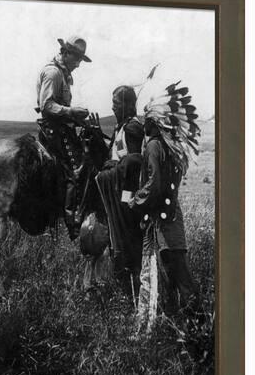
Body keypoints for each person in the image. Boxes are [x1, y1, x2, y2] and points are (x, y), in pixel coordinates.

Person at [128, 85, 200, 334]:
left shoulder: (153, 147)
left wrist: (136, 200)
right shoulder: (169, 147)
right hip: (171, 217)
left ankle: (196, 326)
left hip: (161, 222)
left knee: (176, 274)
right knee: (175, 273)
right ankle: (185, 326)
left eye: (146, 121)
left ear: (154, 123)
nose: (143, 126)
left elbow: (155, 184)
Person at [36, 36, 91, 239]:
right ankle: (72, 222)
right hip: (54, 129)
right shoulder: (53, 73)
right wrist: (71, 112)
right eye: (76, 58)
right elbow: (46, 105)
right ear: (65, 54)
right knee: (75, 170)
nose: (78, 64)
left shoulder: (62, 73)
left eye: (80, 59)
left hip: (60, 127)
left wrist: (76, 118)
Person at [95, 86, 144, 301]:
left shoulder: (132, 128)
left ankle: (131, 290)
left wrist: (113, 167)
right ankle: (123, 287)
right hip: (117, 191)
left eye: (116, 103)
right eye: (113, 103)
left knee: (127, 238)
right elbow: (114, 153)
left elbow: (133, 163)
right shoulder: (121, 127)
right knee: (117, 239)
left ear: (127, 105)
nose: (113, 106)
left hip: (126, 194)